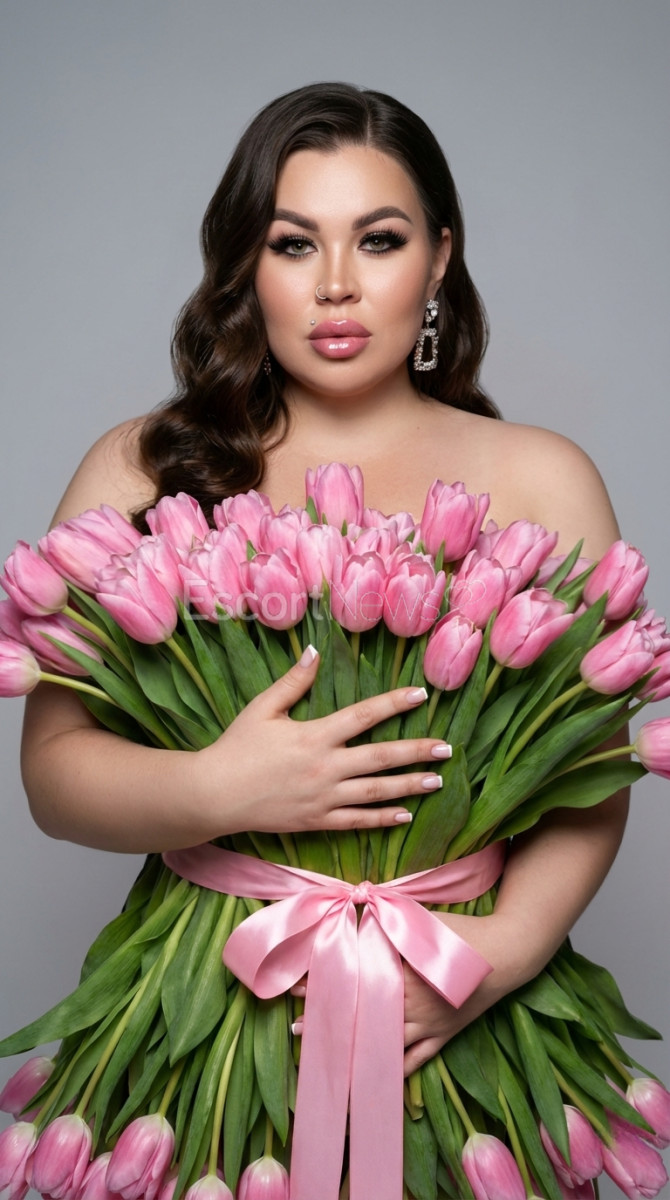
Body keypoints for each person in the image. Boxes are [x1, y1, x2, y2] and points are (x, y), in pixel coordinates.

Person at [19, 81, 629, 1079]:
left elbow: (593, 772)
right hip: (206, 1020)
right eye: (293, 244)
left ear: (439, 257)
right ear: (245, 266)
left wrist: (503, 951)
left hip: (457, 1010)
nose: (336, 285)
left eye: (378, 241)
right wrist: (220, 785)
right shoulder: (144, 467)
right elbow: (52, 776)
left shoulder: (542, 477)